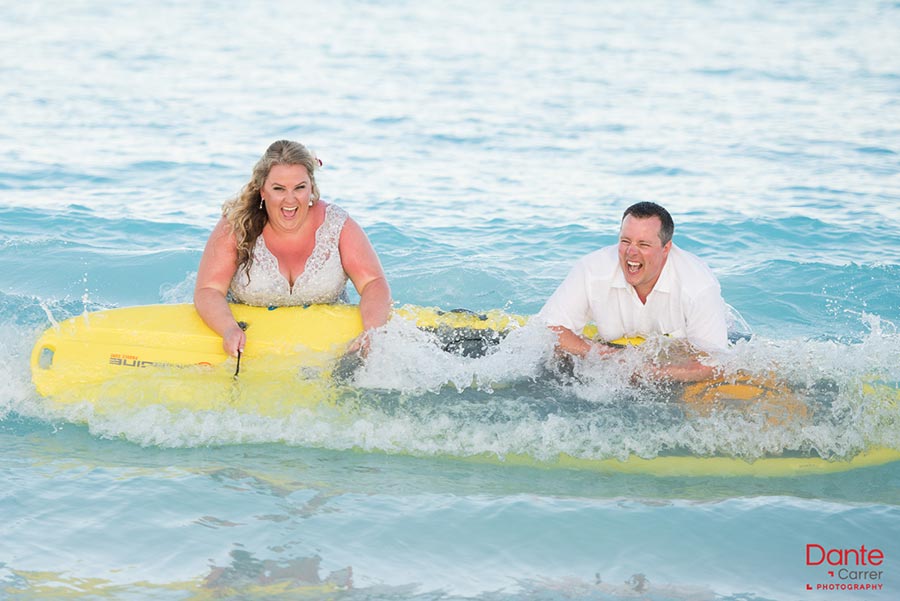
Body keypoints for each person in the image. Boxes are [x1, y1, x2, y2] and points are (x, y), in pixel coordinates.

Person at [194, 140, 392, 357]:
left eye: (300, 187)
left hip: (324, 343)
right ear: (262, 191)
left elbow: (373, 282)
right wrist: (228, 329)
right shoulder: (236, 225)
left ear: (312, 187)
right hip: (251, 342)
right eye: (278, 189)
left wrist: (372, 331)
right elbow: (209, 290)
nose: (290, 199)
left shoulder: (337, 225)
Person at [538, 201, 728, 382]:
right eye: (625, 241)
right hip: (616, 353)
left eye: (643, 244)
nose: (631, 252)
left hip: (676, 364)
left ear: (666, 248)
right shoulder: (592, 270)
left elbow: (711, 364)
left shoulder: (698, 286)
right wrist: (603, 355)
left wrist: (647, 373)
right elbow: (547, 330)